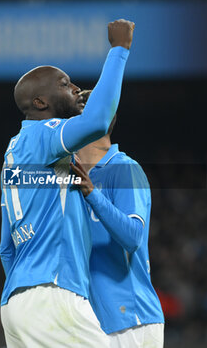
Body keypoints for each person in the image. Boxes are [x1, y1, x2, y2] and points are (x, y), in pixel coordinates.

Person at [0, 19, 135, 348]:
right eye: (65, 84)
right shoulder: (44, 135)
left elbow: (6, 248)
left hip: (16, 303)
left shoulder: (14, 154)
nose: (74, 88)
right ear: (41, 104)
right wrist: (119, 49)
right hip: (53, 295)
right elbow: (98, 120)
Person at [71, 94, 165, 348]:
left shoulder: (123, 168)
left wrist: (92, 194)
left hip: (130, 322)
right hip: (91, 323)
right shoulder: (69, 179)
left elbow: (133, 236)